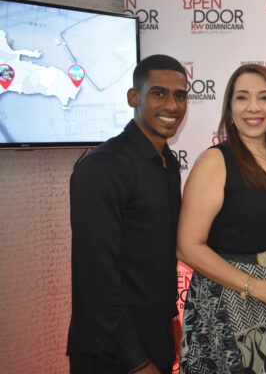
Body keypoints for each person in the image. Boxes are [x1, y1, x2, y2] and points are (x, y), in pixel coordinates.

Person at [177, 64, 266, 373]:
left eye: (264, 97)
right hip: (230, 301)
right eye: (242, 97)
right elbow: (187, 247)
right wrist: (253, 286)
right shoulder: (214, 161)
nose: (253, 107)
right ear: (229, 108)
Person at [67, 54, 189, 374]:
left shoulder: (168, 164)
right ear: (134, 97)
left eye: (180, 96)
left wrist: (169, 321)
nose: (172, 105)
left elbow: (154, 257)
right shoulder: (102, 167)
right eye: (158, 93)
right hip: (109, 351)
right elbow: (97, 277)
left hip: (153, 337)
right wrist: (136, 360)